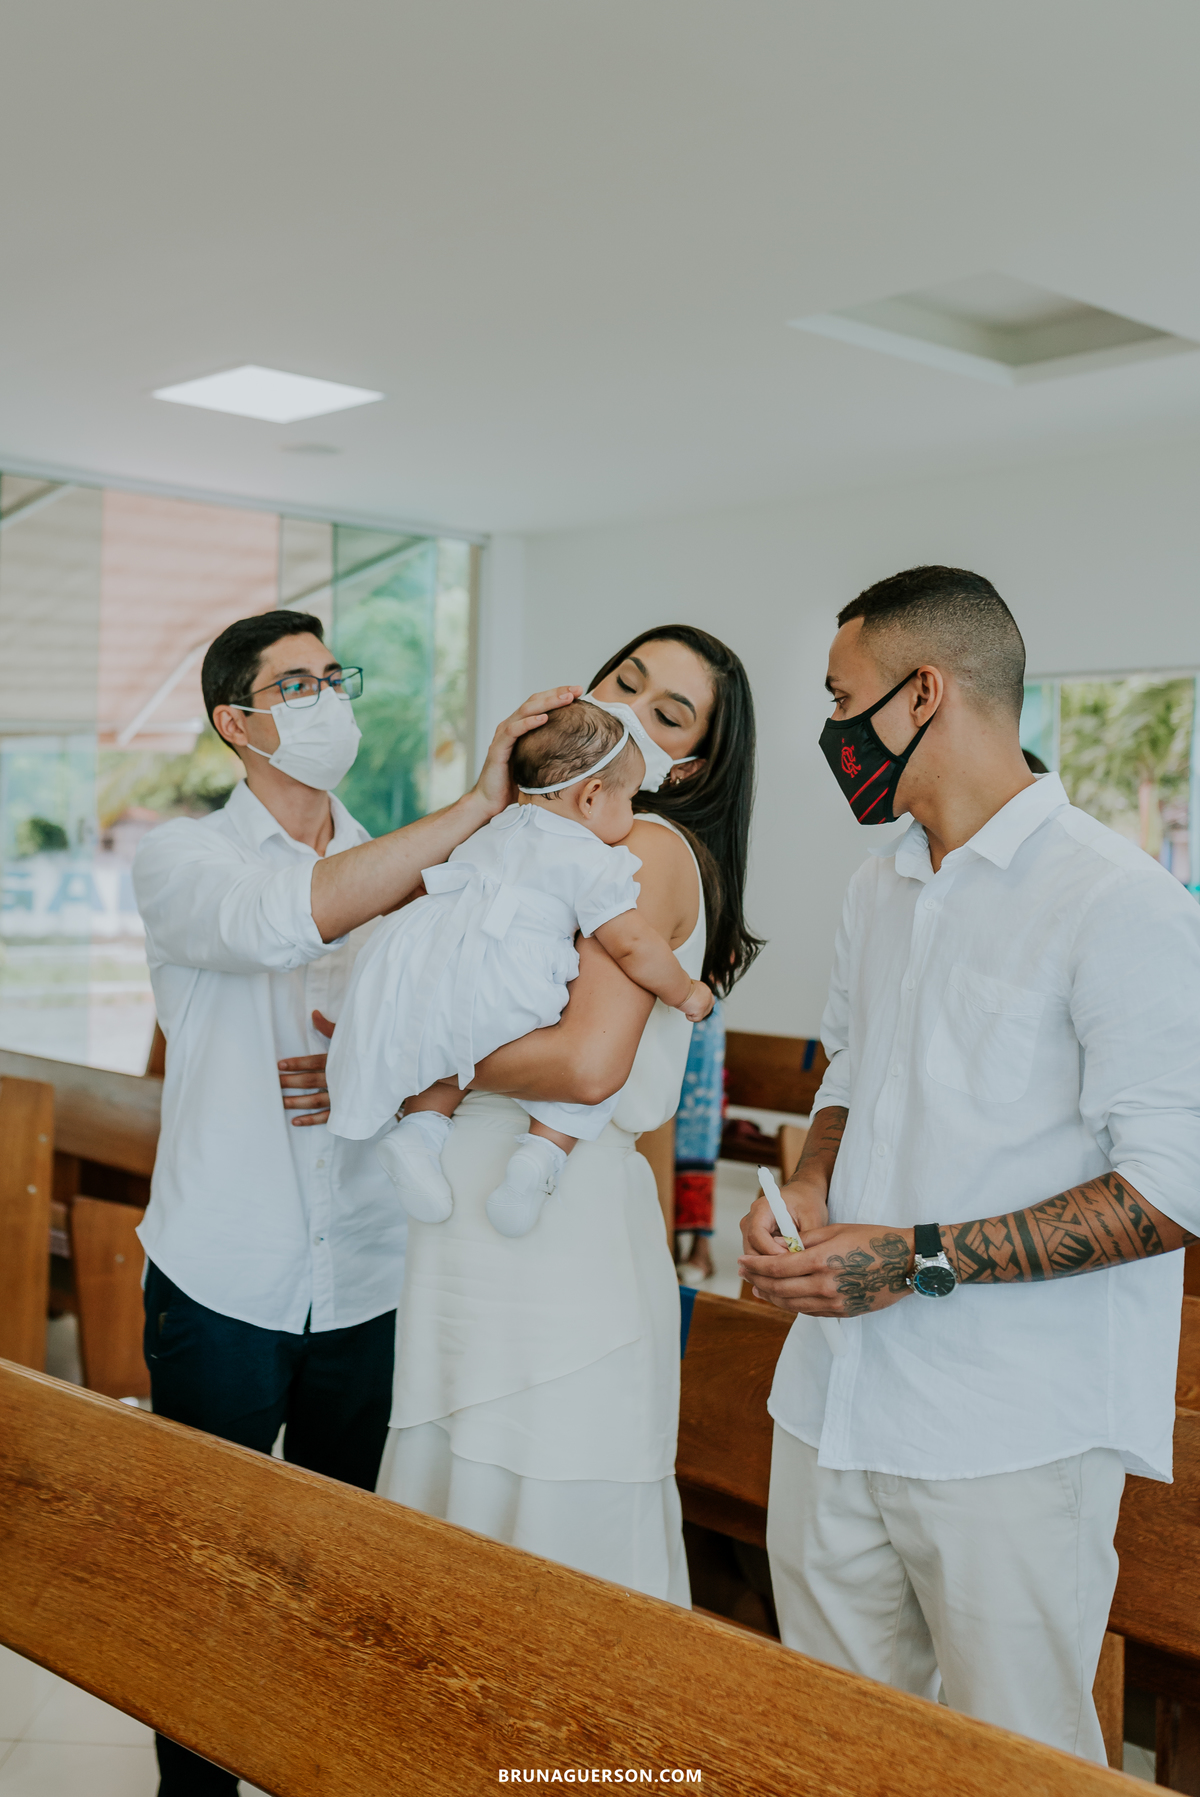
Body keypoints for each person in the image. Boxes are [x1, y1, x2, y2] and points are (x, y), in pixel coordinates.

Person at [739, 565, 1200, 1761]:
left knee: (1015, 1764)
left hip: (1009, 1431)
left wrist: (915, 1262)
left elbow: (1171, 1190)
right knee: (833, 1749)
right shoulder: (877, 885)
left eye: (844, 699)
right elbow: (848, 1073)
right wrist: (805, 1187)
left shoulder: (1119, 904)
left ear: (921, 694)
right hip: (833, 1398)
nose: (832, 729)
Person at [132, 607, 576, 1797]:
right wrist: (475, 809)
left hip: (374, 1275)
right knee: (211, 1567)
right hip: (224, 1272)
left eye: (335, 676)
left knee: (344, 1573)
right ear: (239, 723)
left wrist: (370, 1063)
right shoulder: (185, 858)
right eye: (296, 683)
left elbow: (464, 1023)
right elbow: (283, 920)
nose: (329, 697)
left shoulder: (416, 869)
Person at [281, 625, 761, 1600]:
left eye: (666, 713)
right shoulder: (532, 837)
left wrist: (392, 1058)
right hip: (471, 1237)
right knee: (452, 1548)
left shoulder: (651, 843)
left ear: (691, 762)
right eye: (623, 682)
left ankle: (563, 1766)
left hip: (554, 1237)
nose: (629, 711)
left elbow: (589, 1067)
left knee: (550, 1557)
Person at [326, 700, 712, 1239]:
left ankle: (417, 1131)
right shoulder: (596, 858)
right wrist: (685, 991)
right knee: (572, 1066)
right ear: (593, 795)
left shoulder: (490, 826)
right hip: (512, 976)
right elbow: (630, 946)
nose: (632, 812)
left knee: (446, 1031)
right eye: (629, 797)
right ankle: (539, 1159)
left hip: (430, 959)